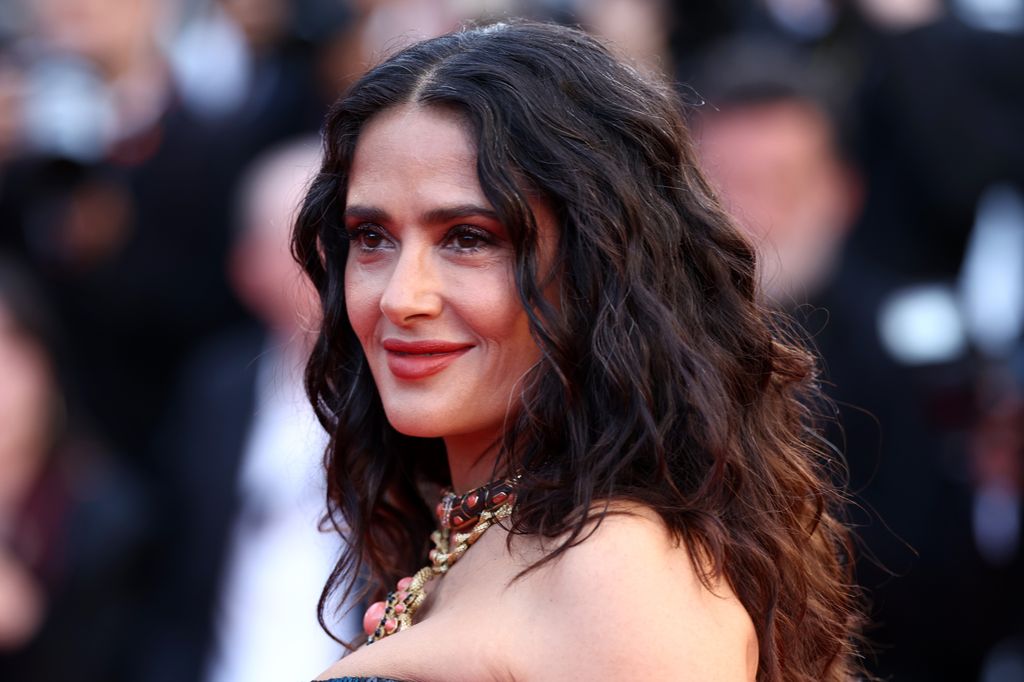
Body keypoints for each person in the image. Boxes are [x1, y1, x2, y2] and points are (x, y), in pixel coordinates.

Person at [291, 21, 862, 682]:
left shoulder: (618, 578)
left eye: (469, 237)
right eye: (372, 237)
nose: (399, 297)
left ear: (600, 268)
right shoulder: (482, 537)